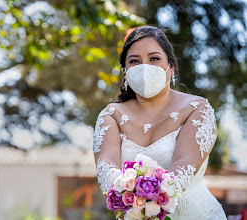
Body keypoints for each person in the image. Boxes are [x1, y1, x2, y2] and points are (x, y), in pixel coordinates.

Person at [93, 25, 226, 219]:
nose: (144, 67)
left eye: (154, 58)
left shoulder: (197, 109)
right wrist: (132, 203)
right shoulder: (111, 115)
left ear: (171, 67)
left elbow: (184, 164)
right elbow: (107, 169)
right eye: (134, 61)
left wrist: (151, 204)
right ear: (125, 71)